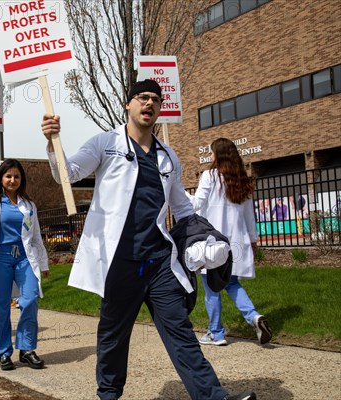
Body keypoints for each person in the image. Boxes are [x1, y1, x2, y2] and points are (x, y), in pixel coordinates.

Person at [41, 79, 257, 400]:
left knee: (181, 333)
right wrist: (51, 142)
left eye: (156, 99)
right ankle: (109, 395)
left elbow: (182, 208)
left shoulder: (168, 156)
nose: (150, 103)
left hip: (158, 263)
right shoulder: (105, 143)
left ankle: (214, 397)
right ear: (128, 104)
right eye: (142, 97)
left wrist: (208, 239)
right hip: (120, 263)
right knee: (114, 337)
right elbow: (67, 173)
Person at [187, 138, 272, 346]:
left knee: (211, 287)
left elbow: (197, 204)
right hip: (237, 241)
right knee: (232, 283)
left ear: (219, 154)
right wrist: (253, 240)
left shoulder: (210, 176)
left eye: (212, 153)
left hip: (214, 242)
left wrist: (177, 192)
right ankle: (253, 317)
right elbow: (249, 216)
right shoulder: (242, 179)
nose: (210, 156)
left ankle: (216, 333)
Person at [0, 159, 49, 371]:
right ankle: (4, 352)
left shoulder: (29, 204)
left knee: (30, 299)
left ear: (21, 179)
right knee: (1, 306)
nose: (12, 180)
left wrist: (43, 262)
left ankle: (26, 350)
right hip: (0, 258)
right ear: (1, 178)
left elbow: (35, 236)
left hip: (24, 258)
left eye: (16, 176)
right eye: (8, 176)